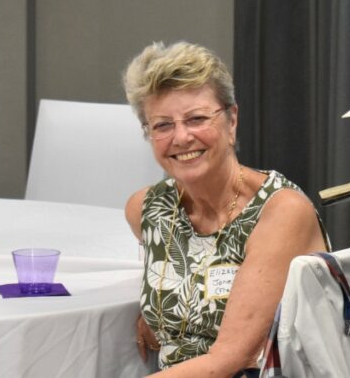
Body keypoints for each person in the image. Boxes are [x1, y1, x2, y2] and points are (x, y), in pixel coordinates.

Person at [123, 41, 329, 377]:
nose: (181, 137)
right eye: (162, 125)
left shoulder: (280, 212)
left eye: (197, 119)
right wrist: (156, 313)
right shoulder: (147, 210)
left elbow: (228, 361)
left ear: (231, 121)